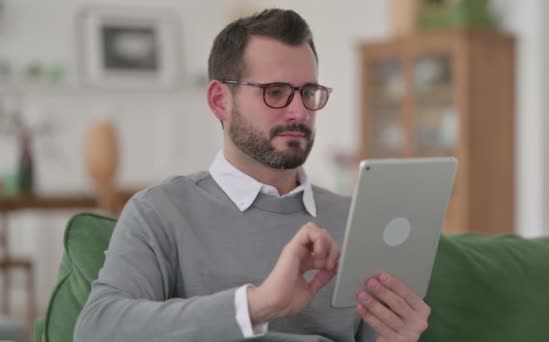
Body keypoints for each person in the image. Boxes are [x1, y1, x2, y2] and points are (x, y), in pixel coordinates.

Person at [74, 8, 430, 342]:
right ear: (219, 101)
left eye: (308, 92)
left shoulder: (356, 220)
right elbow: (97, 328)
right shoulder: (160, 212)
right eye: (275, 92)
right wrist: (256, 306)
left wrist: (398, 335)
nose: (298, 111)